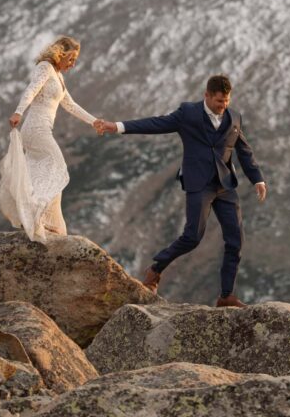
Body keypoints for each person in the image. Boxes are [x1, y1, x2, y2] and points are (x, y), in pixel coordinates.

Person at [94, 74, 267, 307]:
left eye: (226, 101)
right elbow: (155, 124)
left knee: (236, 240)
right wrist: (117, 126)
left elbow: (244, 151)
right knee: (192, 237)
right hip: (199, 184)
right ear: (206, 96)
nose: (223, 106)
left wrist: (257, 179)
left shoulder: (234, 117)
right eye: (219, 101)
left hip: (225, 186)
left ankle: (226, 296)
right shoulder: (188, 113)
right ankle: (156, 268)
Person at [0, 36, 102, 243]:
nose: (73, 64)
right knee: (58, 165)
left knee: (49, 170)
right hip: (35, 128)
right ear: (59, 54)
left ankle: (46, 221)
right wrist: (18, 112)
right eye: (71, 58)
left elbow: (70, 105)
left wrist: (94, 122)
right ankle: (38, 213)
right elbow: (31, 90)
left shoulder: (58, 77)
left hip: (43, 129)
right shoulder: (45, 67)